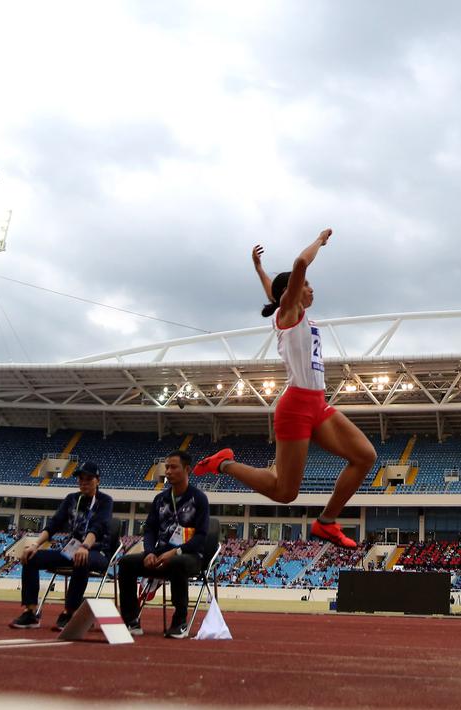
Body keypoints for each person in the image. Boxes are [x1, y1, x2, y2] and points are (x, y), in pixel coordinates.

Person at [194, 231, 376, 549]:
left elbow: (274, 289)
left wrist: (259, 269)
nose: (310, 286)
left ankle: (327, 522)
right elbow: (300, 263)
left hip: (318, 404)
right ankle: (224, 463)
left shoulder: (292, 312)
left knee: (364, 456)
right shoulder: (288, 312)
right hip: (295, 408)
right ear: (290, 292)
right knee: (285, 492)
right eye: (304, 284)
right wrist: (320, 240)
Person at [9, 462, 114, 631]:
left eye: (89, 479)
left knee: (82, 559)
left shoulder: (105, 501)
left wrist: (85, 547)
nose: (84, 482)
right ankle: (30, 612)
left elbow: (98, 526)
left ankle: (69, 612)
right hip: (71, 550)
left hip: (97, 551)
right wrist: (35, 544)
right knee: (31, 557)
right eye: (81, 479)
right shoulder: (71, 499)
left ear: (98, 480)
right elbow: (54, 524)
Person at [118, 451, 210, 638]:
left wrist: (176, 552)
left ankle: (180, 621)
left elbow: (201, 536)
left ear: (187, 470)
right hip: (159, 554)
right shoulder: (160, 499)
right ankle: (131, 620)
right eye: (166, 467)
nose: (168, 471)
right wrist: (150, 552)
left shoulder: (199, 499)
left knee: (176, 563)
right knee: (126, 563)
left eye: (173, 467)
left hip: (189, 556)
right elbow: (150, 530)